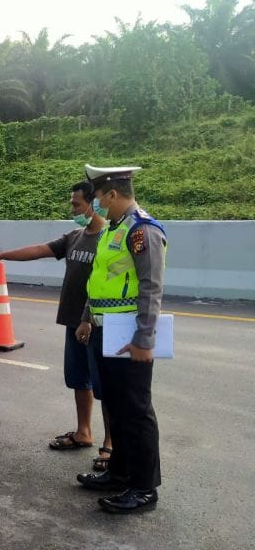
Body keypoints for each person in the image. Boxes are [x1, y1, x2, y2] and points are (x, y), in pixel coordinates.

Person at [0, 182, 112, 470]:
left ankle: (110, 447)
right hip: (73, 321)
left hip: (98, 323)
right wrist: (1, 256)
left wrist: (90, 319)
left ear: (93, 203)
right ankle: (83, 432)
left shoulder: (108, 238)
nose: (73, 209)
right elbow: (39, 249)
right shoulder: (75, 237)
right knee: (79, 380)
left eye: (76, 204)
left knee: (106, 387)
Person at [74, 164, 167, 514]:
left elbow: (151, 287)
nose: (95, 204)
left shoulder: (143, 230)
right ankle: (119, 473)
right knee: (115, 405)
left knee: (136, 411)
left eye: (98, 197)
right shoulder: (115, 230)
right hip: (104, 329)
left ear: (113, 193)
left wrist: (144, 338)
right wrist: (86, 319)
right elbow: (100, 281)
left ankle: (144, 488)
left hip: (129, 333)